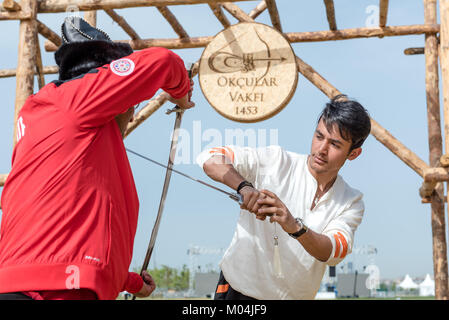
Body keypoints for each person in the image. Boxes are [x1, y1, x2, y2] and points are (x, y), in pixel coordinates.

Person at [0, 16, 194, 300]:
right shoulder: (78, 99)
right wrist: (182, 92)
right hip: (58, 287)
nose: (132, 112)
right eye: (130, 102)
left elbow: (61, 230)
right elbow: (163, 61)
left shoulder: (35, 114)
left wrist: (131, 282)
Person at [196, 95, 370, 299]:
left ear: (353, 154)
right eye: (319, 136)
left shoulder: (351, 201)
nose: (321, 150)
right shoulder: (276, 160)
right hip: (237, 292)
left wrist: (294, 226)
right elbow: (210, 158)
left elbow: (334, 252)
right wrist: (244, 187)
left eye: (335, 144)